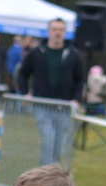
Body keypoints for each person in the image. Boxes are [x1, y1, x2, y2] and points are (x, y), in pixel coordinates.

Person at [15, 18, 85, 167]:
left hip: (64, 107)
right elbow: (23, 73)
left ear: (65, 33)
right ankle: (44, 180)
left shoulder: (73, 55)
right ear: (48, 32)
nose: (57, 33)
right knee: (48, 141)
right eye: (54, 29)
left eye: (60, 30)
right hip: (42, 105)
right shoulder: (37, 52)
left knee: (60, 146)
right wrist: (25, 93)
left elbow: (80, 79)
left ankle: (54, 180)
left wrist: (76, 99)